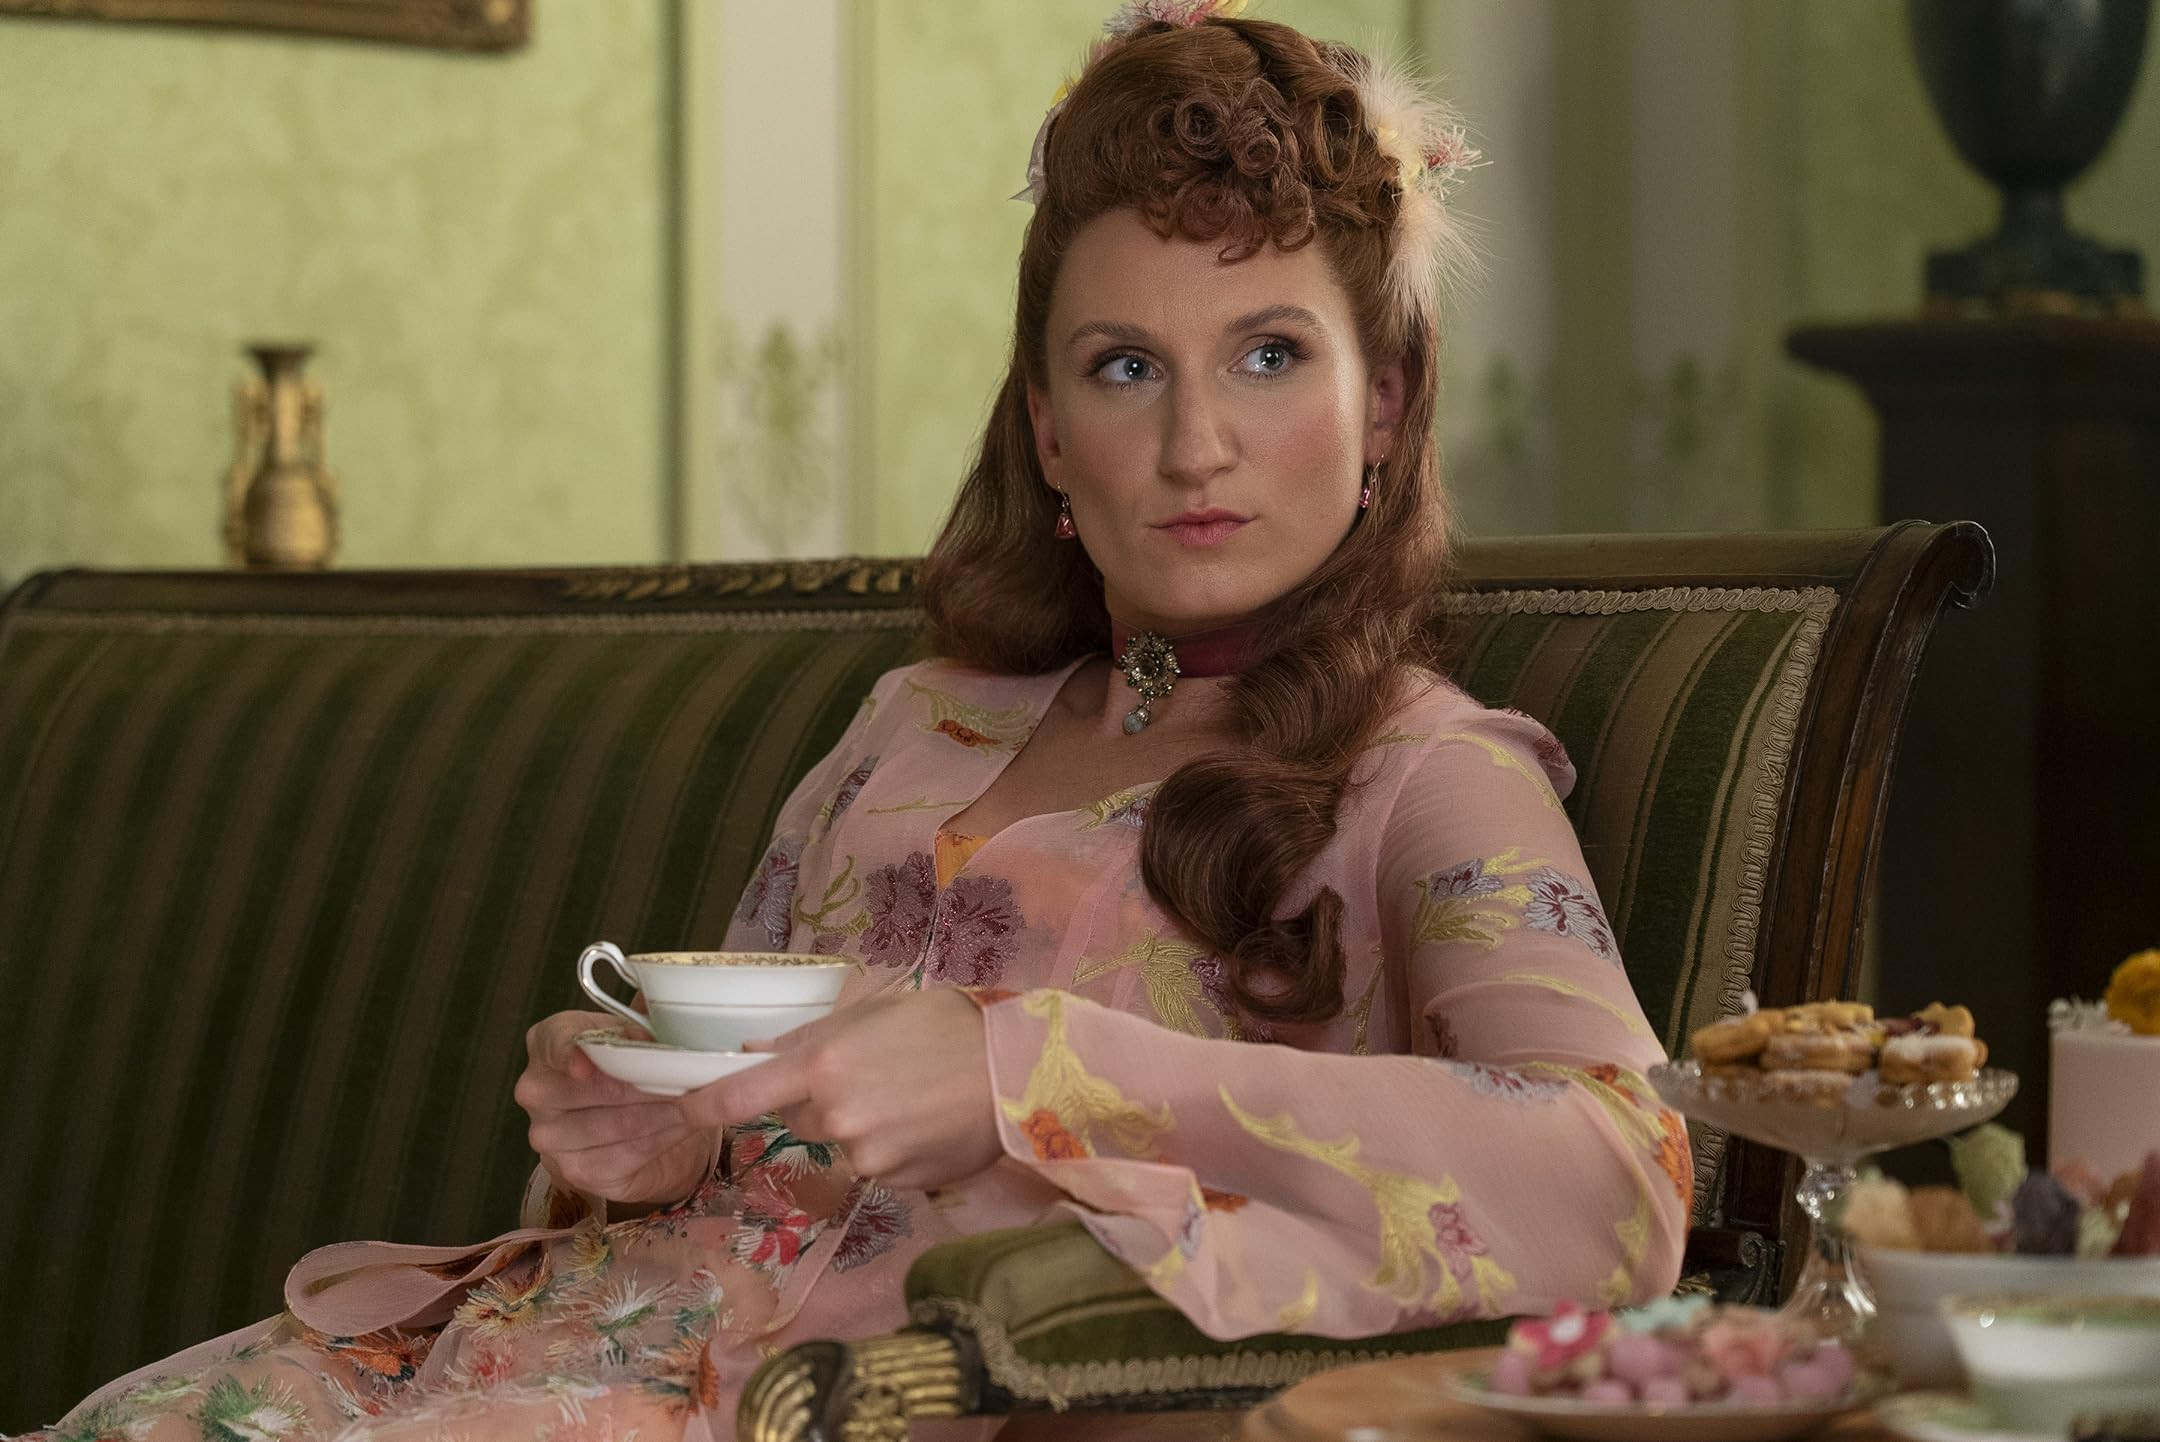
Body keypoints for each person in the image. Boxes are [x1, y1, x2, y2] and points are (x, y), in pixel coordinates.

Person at [21, 4, 1689, 1439]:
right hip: (539, 1345)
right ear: (1048, 430)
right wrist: (637, 1133)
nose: (1196, 444)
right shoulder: (915, 722)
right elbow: (729, 1112)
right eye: (1124, 368)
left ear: (1381, 403)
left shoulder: (1428, 773)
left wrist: (1026, 1072)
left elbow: (1623, 1174)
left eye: (1267, 355)